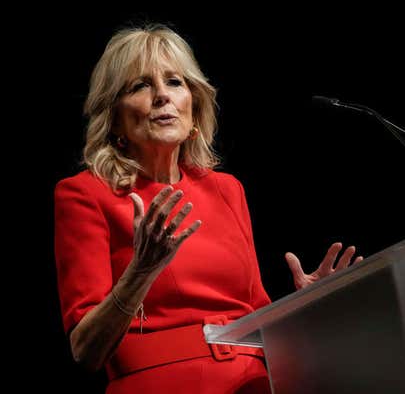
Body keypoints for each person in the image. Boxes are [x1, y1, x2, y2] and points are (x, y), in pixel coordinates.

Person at [53, 23, 362, 394]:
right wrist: (142, 270)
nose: (162, 96)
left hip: (255, 384)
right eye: (140, 86)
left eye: (175, 82)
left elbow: (256, 321)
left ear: (195, 107)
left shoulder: (227, 190)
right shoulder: (85, 194)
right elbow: (85, 351)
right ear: (115, 117)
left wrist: (308, 306)